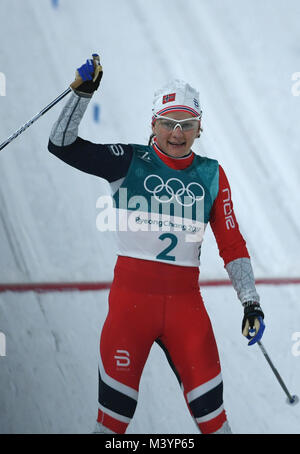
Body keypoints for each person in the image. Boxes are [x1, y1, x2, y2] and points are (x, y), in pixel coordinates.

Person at [48, 54, 265, 435]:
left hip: (186, 313)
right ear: (153, 124)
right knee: (110, 426)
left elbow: (232, 244)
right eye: (168, 123)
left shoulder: (212, 174)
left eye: (187, 125)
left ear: (200, 128)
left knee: (216, 423)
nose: (177, 133)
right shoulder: (127, 160)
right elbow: (62, 145)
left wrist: (251, 302)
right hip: (130, 311)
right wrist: (82, 93)